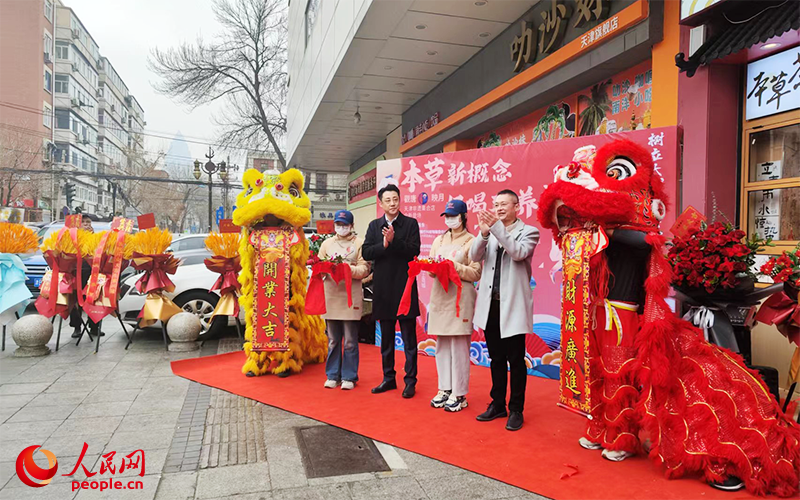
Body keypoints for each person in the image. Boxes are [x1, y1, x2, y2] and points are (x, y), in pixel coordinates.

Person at [469, 190, 539, 431]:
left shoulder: (529, 231)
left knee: (516, 359)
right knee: (496, 358)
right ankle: (497, 403)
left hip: (513, 306)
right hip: (491, 305)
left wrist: (497, 228)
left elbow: (518, 253)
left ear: (516, 207)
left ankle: (516, 409)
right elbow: (473, 256)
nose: (498, 208)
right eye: (495, 204)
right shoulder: (491, 232)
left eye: (503, 204)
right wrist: (484, 233)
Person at [362, 183, 421, 398]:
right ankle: (388, 378)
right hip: (383, 290)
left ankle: (410, 380)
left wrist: (394, 241)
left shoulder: (410, 224)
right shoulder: (373, 225)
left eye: (395, 199)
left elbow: (414, 250)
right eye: (388, 200)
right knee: (386, 338)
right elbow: (367, 251)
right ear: (381, 203)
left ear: (399, 200)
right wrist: (384, 246)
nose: (392, 203)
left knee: (409, 340)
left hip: (404, 288)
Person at [427, 200, 481, 412]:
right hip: (440, 294)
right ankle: (444, 389)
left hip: (460, 297)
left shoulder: (472, 241)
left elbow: (476, 272)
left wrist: (453, 267)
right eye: (447, 216)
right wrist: (432, 268)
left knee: (459, 347)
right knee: (442, 345)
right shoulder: (439, 240)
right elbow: (432, 266)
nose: (450, 219)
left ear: (463, 217)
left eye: (454, 215)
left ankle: (459, 394)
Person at [318, 210, 370, 390]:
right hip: (331, 295)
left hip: (350, 296)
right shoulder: (326, 244)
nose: (341, 228)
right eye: (338, 224)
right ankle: (332, 374)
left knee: (349, 339)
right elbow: (319, 267)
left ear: (352, 226)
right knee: (332, 339)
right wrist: (327, 268)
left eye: (345, 224)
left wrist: (348, 269)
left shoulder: (359, 243)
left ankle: (349, 376)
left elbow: (365, 269)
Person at [70, 214, 97, 338]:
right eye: (84, 222)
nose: (87, 224)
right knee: (76, 300)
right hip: (76, 272)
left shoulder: (95, 238)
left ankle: (94, 326)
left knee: (93, 299)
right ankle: (77, 327)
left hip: (92, 272)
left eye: (89, 222)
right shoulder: (72, 238)